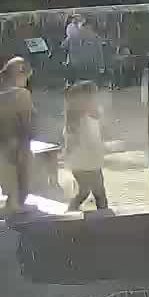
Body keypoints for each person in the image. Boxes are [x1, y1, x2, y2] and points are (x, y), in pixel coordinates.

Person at [0, 56, 35, 215]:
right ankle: (17, 204)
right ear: (20, 75)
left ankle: (13, 201)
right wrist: (26, 140)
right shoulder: (22, 94)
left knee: (8, 170)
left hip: (3, 139)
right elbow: (26, 120)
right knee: (21, 170)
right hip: (18, 138)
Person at [63, 81, 109, 212]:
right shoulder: (75, 119)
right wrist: (67, 155)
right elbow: (71, 142)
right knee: (94, 193)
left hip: (91, 161)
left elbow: (100, 127)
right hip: (83, 163)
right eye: (91, 97)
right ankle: (103, 217)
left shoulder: (93, 113)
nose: (94, 100)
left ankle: (72, 211)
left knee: (90, 192)